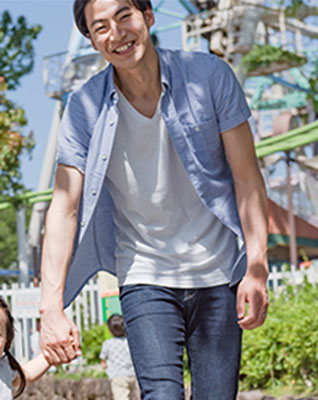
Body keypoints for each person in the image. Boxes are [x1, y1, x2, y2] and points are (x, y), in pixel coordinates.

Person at [38, 0, 269, 399]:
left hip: (217, 272)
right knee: (161, 395)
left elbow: (247, 179)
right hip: (144, 273)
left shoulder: (210, 77)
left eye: (124, 16)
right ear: (92, 41)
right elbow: (64, 207)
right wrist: (50, 308)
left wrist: (257, 265)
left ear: (147, 15)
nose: (117, 33)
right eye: (101, 27)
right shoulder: (84, 108)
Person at [99, 315, 137, 400]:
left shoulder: (107, 344)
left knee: (121, 397)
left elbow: (103, 360)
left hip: (117, 376)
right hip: (132, 374)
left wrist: (104, 366)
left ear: (110, 331)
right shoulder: (129, 341)